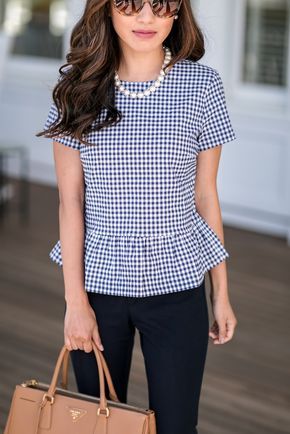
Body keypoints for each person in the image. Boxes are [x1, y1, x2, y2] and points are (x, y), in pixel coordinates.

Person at [36, 0, 238, 432]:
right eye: (131, 5)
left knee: (178, 426)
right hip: (97, 290)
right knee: (94, 424)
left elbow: (206, 196)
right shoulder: (77, 87)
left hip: (179, 286)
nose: (146, 19)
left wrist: (220, 291)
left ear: (178, 12)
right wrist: (76, 304)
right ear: (106, 11)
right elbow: (70, 201)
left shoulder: (203, 85)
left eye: (159, 6)